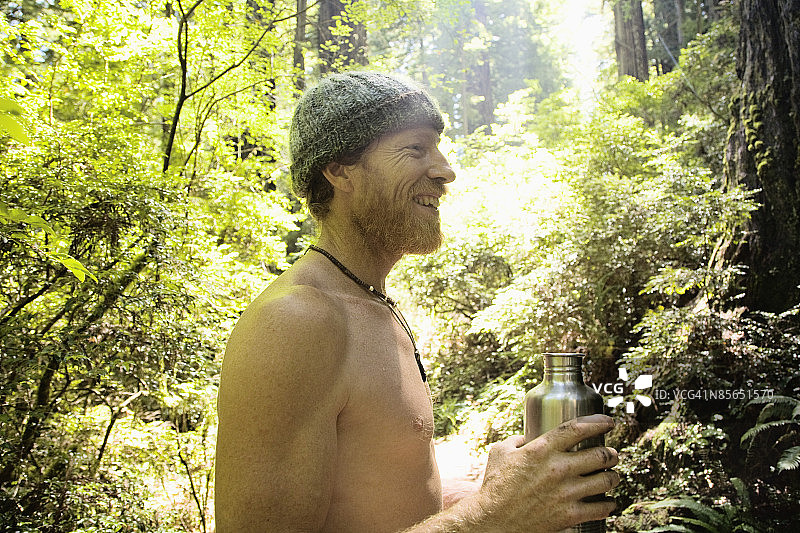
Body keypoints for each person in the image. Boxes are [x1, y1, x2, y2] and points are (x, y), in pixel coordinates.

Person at [214, 71, 620, 532]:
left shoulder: (371, 302)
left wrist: (500, 491)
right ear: (339, 170)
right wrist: (492, 515)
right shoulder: (295, 320)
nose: (446, 170)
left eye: (439, 147)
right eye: (415, 149)